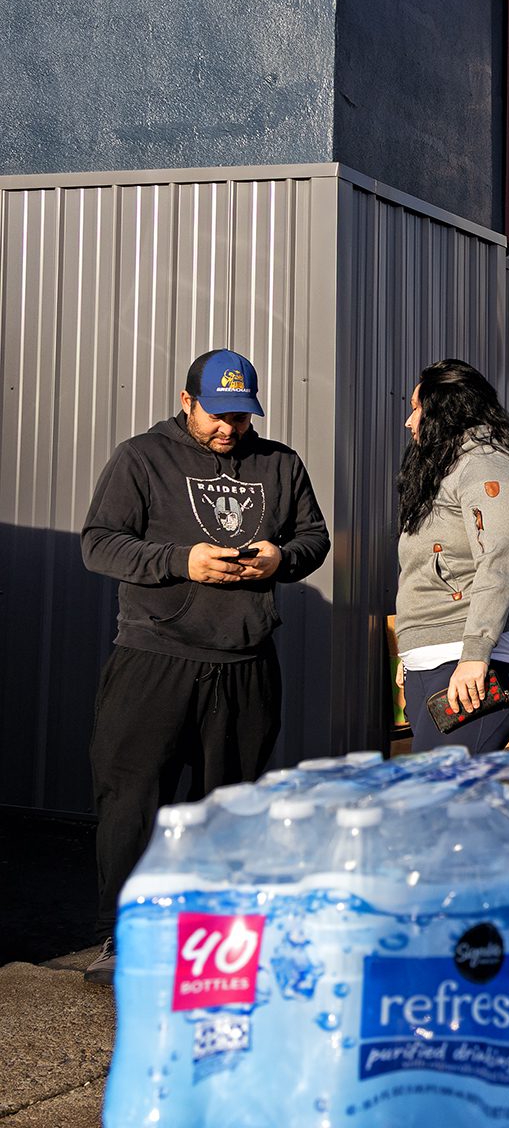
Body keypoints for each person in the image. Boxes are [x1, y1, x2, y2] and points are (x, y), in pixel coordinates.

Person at [80, 349, 329, 984]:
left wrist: (281, 559)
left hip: (246, 661)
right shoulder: (142, 458)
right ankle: (125, 937)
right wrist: (181, 560)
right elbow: (99, 544)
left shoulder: (279, 463)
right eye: (216, 414)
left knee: (230, 808)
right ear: (187, 401)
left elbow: (314, 538)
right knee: (133, 802)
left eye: (240, 417)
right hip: (154, 656)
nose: (228, 428)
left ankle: (212, 944)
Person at [395, 359, 509, 755]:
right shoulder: (445, 466)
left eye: (417, 408)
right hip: (438, 650)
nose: (410, 422)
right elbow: (424, 566)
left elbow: (497, 562)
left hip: (487, 651)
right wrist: (413, 648)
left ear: (446, 410)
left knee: (441, 782)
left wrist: (476, 655)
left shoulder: (486, 464)